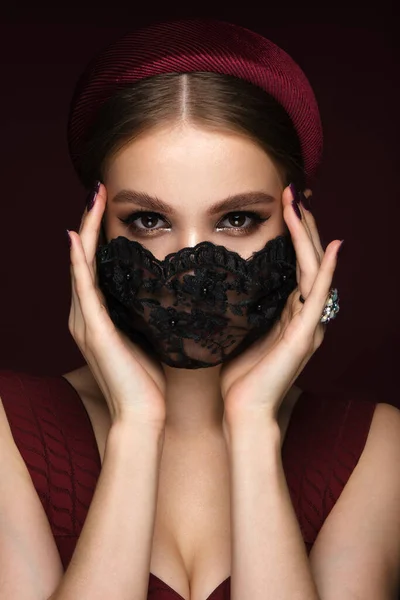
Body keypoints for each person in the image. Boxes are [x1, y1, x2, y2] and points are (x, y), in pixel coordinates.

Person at [0, 17, 399, 600]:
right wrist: (136, 428)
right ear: (94, 227)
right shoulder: (10, 429)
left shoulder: (372, 448)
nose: (191, 267)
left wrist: (254, 426)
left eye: (236, 219)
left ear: (298, 226)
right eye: (149, 220)